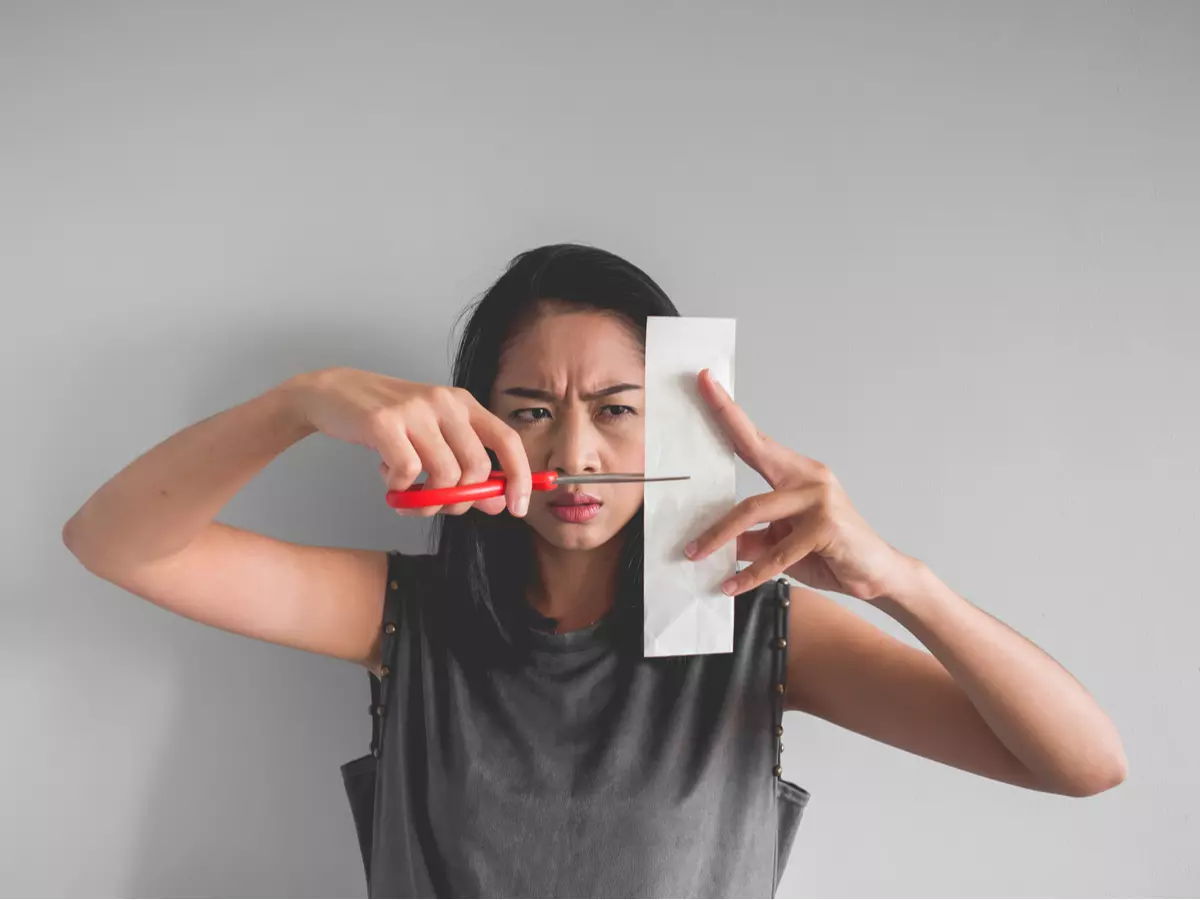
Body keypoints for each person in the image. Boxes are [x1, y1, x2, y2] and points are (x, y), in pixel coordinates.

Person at [63, 244, 1126, 898]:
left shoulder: (755, 628)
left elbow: (1081, 764)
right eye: (531, 409)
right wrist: (303, 400)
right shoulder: (405, 616)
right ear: (480, 422)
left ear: (673, 419)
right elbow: (112, 542)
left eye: (618, 409)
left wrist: (899, 579)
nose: (575, 451)